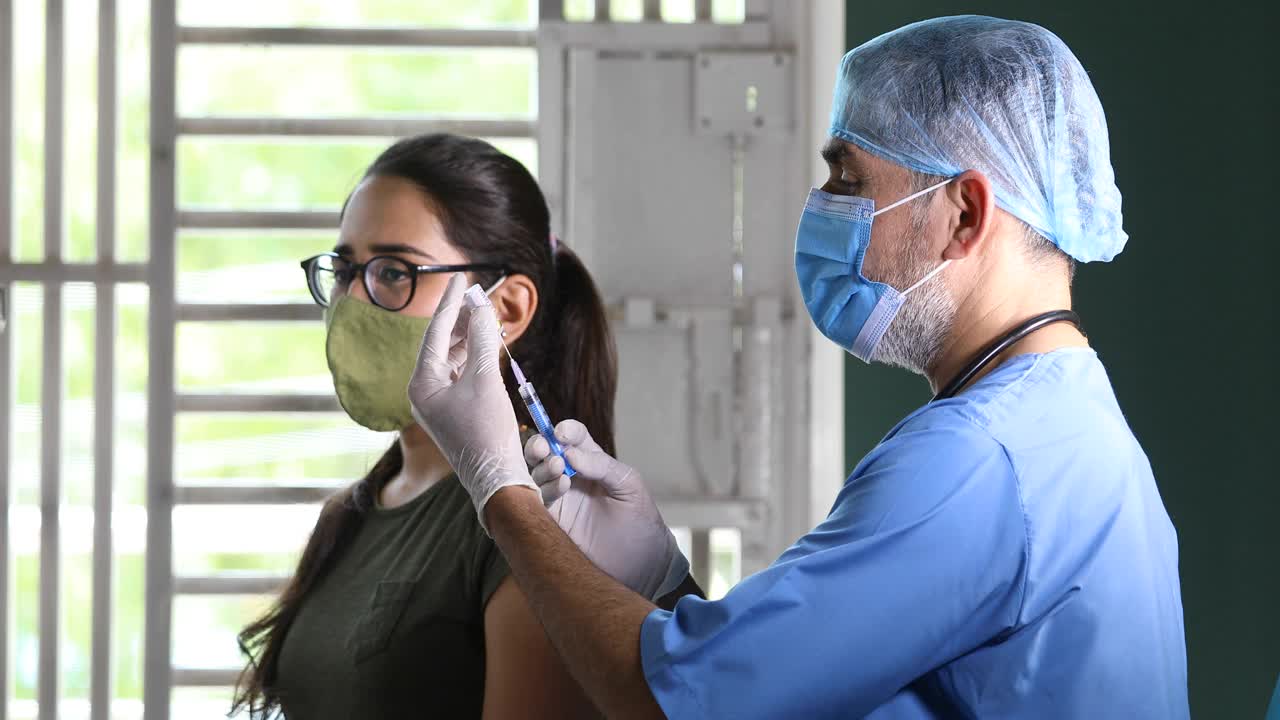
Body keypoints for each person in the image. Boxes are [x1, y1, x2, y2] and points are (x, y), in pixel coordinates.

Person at [406, 16, 1189, 720]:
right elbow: (782, 683)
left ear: (965, 214)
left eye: (850, 179)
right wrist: (661, 575)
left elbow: (669, 709)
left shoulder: (975, 460)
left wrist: (502, 493)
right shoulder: (1065, 419)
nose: (822, 205)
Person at [229, 133, 699, 719]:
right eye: (346, 269)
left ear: (505, 311)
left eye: (394, 271)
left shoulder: (540, 520)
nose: (353, 300)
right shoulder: (350, 514)